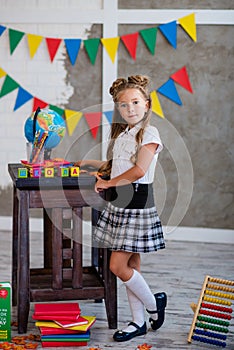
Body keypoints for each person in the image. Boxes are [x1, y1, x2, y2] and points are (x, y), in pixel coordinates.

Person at [76, 75, 167, 342]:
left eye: (136, 102)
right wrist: (85, 163)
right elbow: (117, 165)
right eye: (124, 105)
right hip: (120, 204)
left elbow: (139, 171)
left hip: (137, 204)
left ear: (147, 104)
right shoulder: (125, 133)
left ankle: (153, 304)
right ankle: (139, 322)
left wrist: (107, 183)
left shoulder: (149, 133)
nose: (130, 109)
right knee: (132, 265)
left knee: (117, 265)